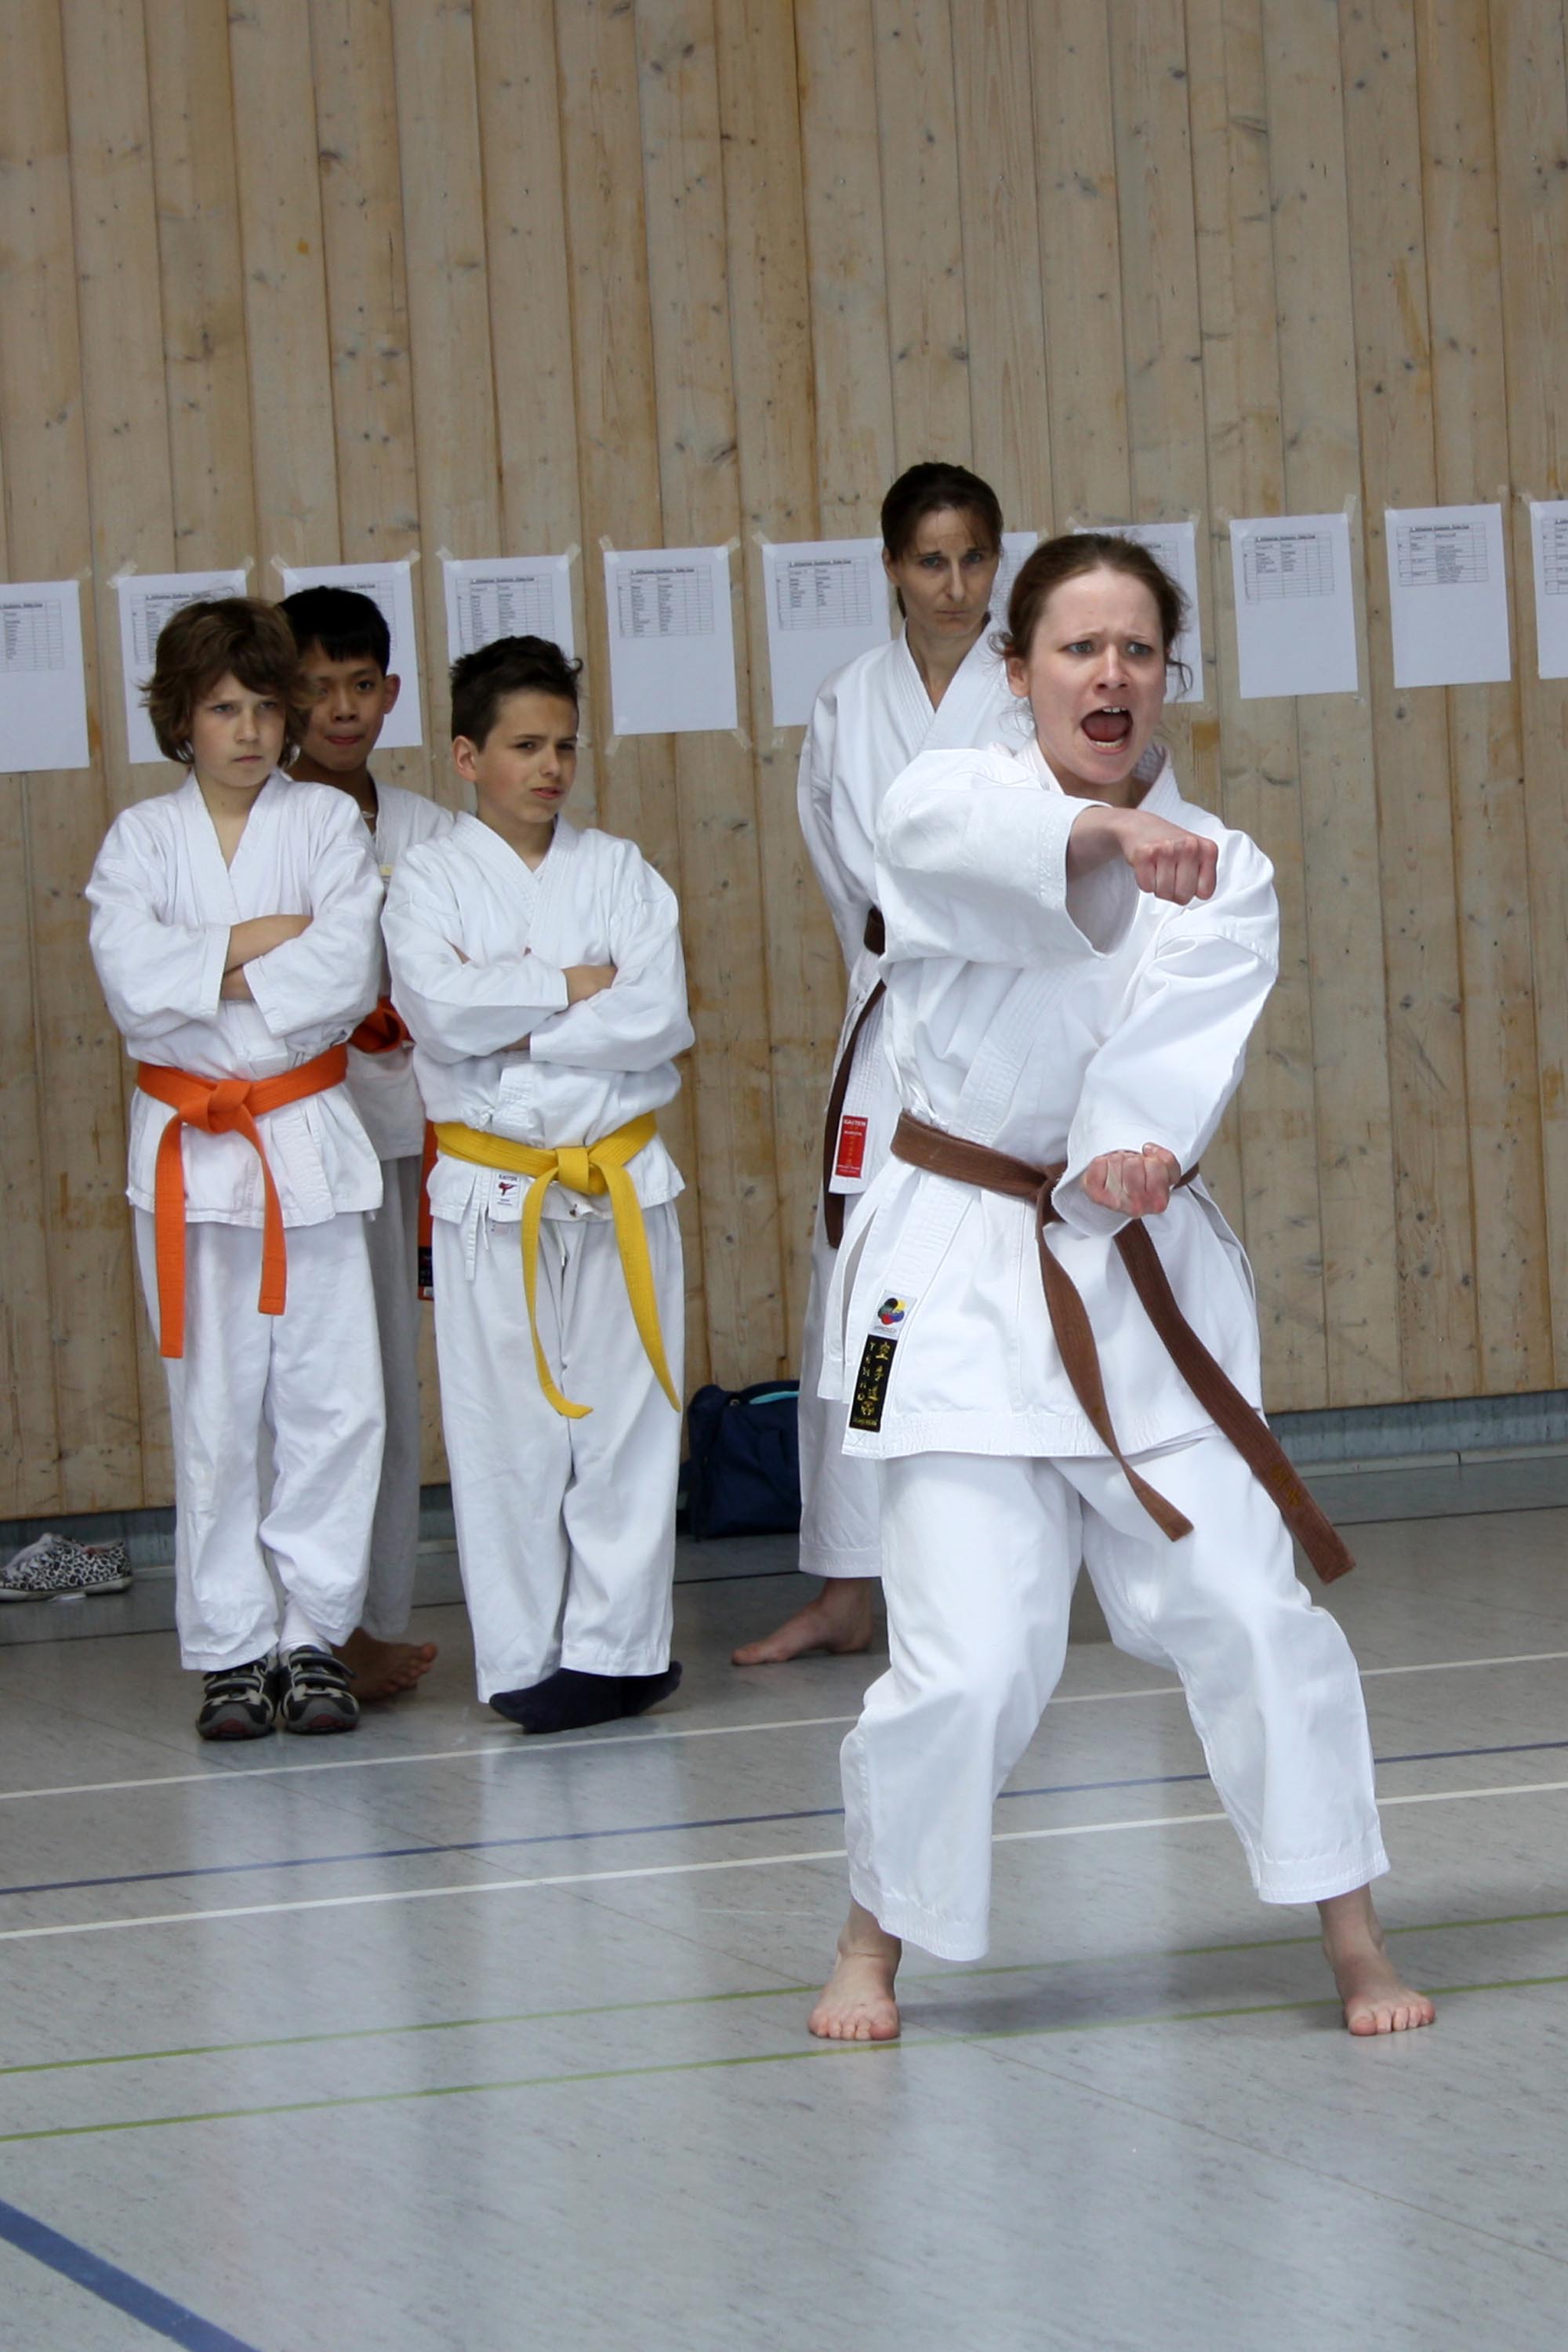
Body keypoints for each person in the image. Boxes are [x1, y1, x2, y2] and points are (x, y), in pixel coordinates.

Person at [808, 535, 1434, 2042]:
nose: (1110, 675)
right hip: (957, 1281)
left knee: (1253, 1610)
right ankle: (871, 1943)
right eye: (1079, 648)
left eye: (1138, 650)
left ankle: (1353, 1938)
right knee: (968, 1663)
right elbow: (945, 852)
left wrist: (1127, 1157)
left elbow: (1172, 1055)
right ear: (1019, 670)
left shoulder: (1224, 866)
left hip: (1133, 1281)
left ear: (1169, 675)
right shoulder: (950, 799)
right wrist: (1094, 839)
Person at [733, 462, 1022, 1668]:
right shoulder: (848, 705)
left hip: (1011, 1038)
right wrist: (929, 922)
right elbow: (853, 885)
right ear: (892, 567)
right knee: (863, 1296)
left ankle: (1011, 1563)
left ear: (999, 561)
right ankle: (849, 1580)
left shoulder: (1033, 689)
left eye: (974, 559)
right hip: (895, 1031)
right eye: (930, 561)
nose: (954, 586)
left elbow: (1051, 863)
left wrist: (963, 914)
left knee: (1011, 1289)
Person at [382, 635, 693, 1734]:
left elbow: (658, 1017)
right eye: (524, 746)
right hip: (491, 1192)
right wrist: (573, 987)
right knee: (502, 1430)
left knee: (627, 1424)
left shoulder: (621, 870)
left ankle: (623, 1652)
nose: (551, 766)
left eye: (563, 745)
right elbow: (437, 1011)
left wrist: (516, 1024)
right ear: (467, 756)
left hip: (619, 1181)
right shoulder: (427, 880)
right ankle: (525, 1659)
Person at [86, 597, 385, 1740]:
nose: (250, 730)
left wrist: (201, 964)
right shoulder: (138, 840)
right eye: (223, 709)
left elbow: (346, 970)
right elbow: (133, 988)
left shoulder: (325, 822)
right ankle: (229, 1649)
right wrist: (266, 936)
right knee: (212, 1410)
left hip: (302, 1137)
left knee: (333, 1401)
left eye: (265, 706)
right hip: (191, 1151)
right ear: (181, 720)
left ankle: (312, 1639)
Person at [281, 584, 452, 1700]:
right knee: (297, 1394)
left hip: (392, 1135)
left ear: (391, 693)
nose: (341, 710)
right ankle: (284, 1626)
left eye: (360, 686)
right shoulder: (256, 823)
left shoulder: (430, 829)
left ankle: (367, 1621)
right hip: (281, 1137)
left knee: (382, 1387)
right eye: (316, 688)